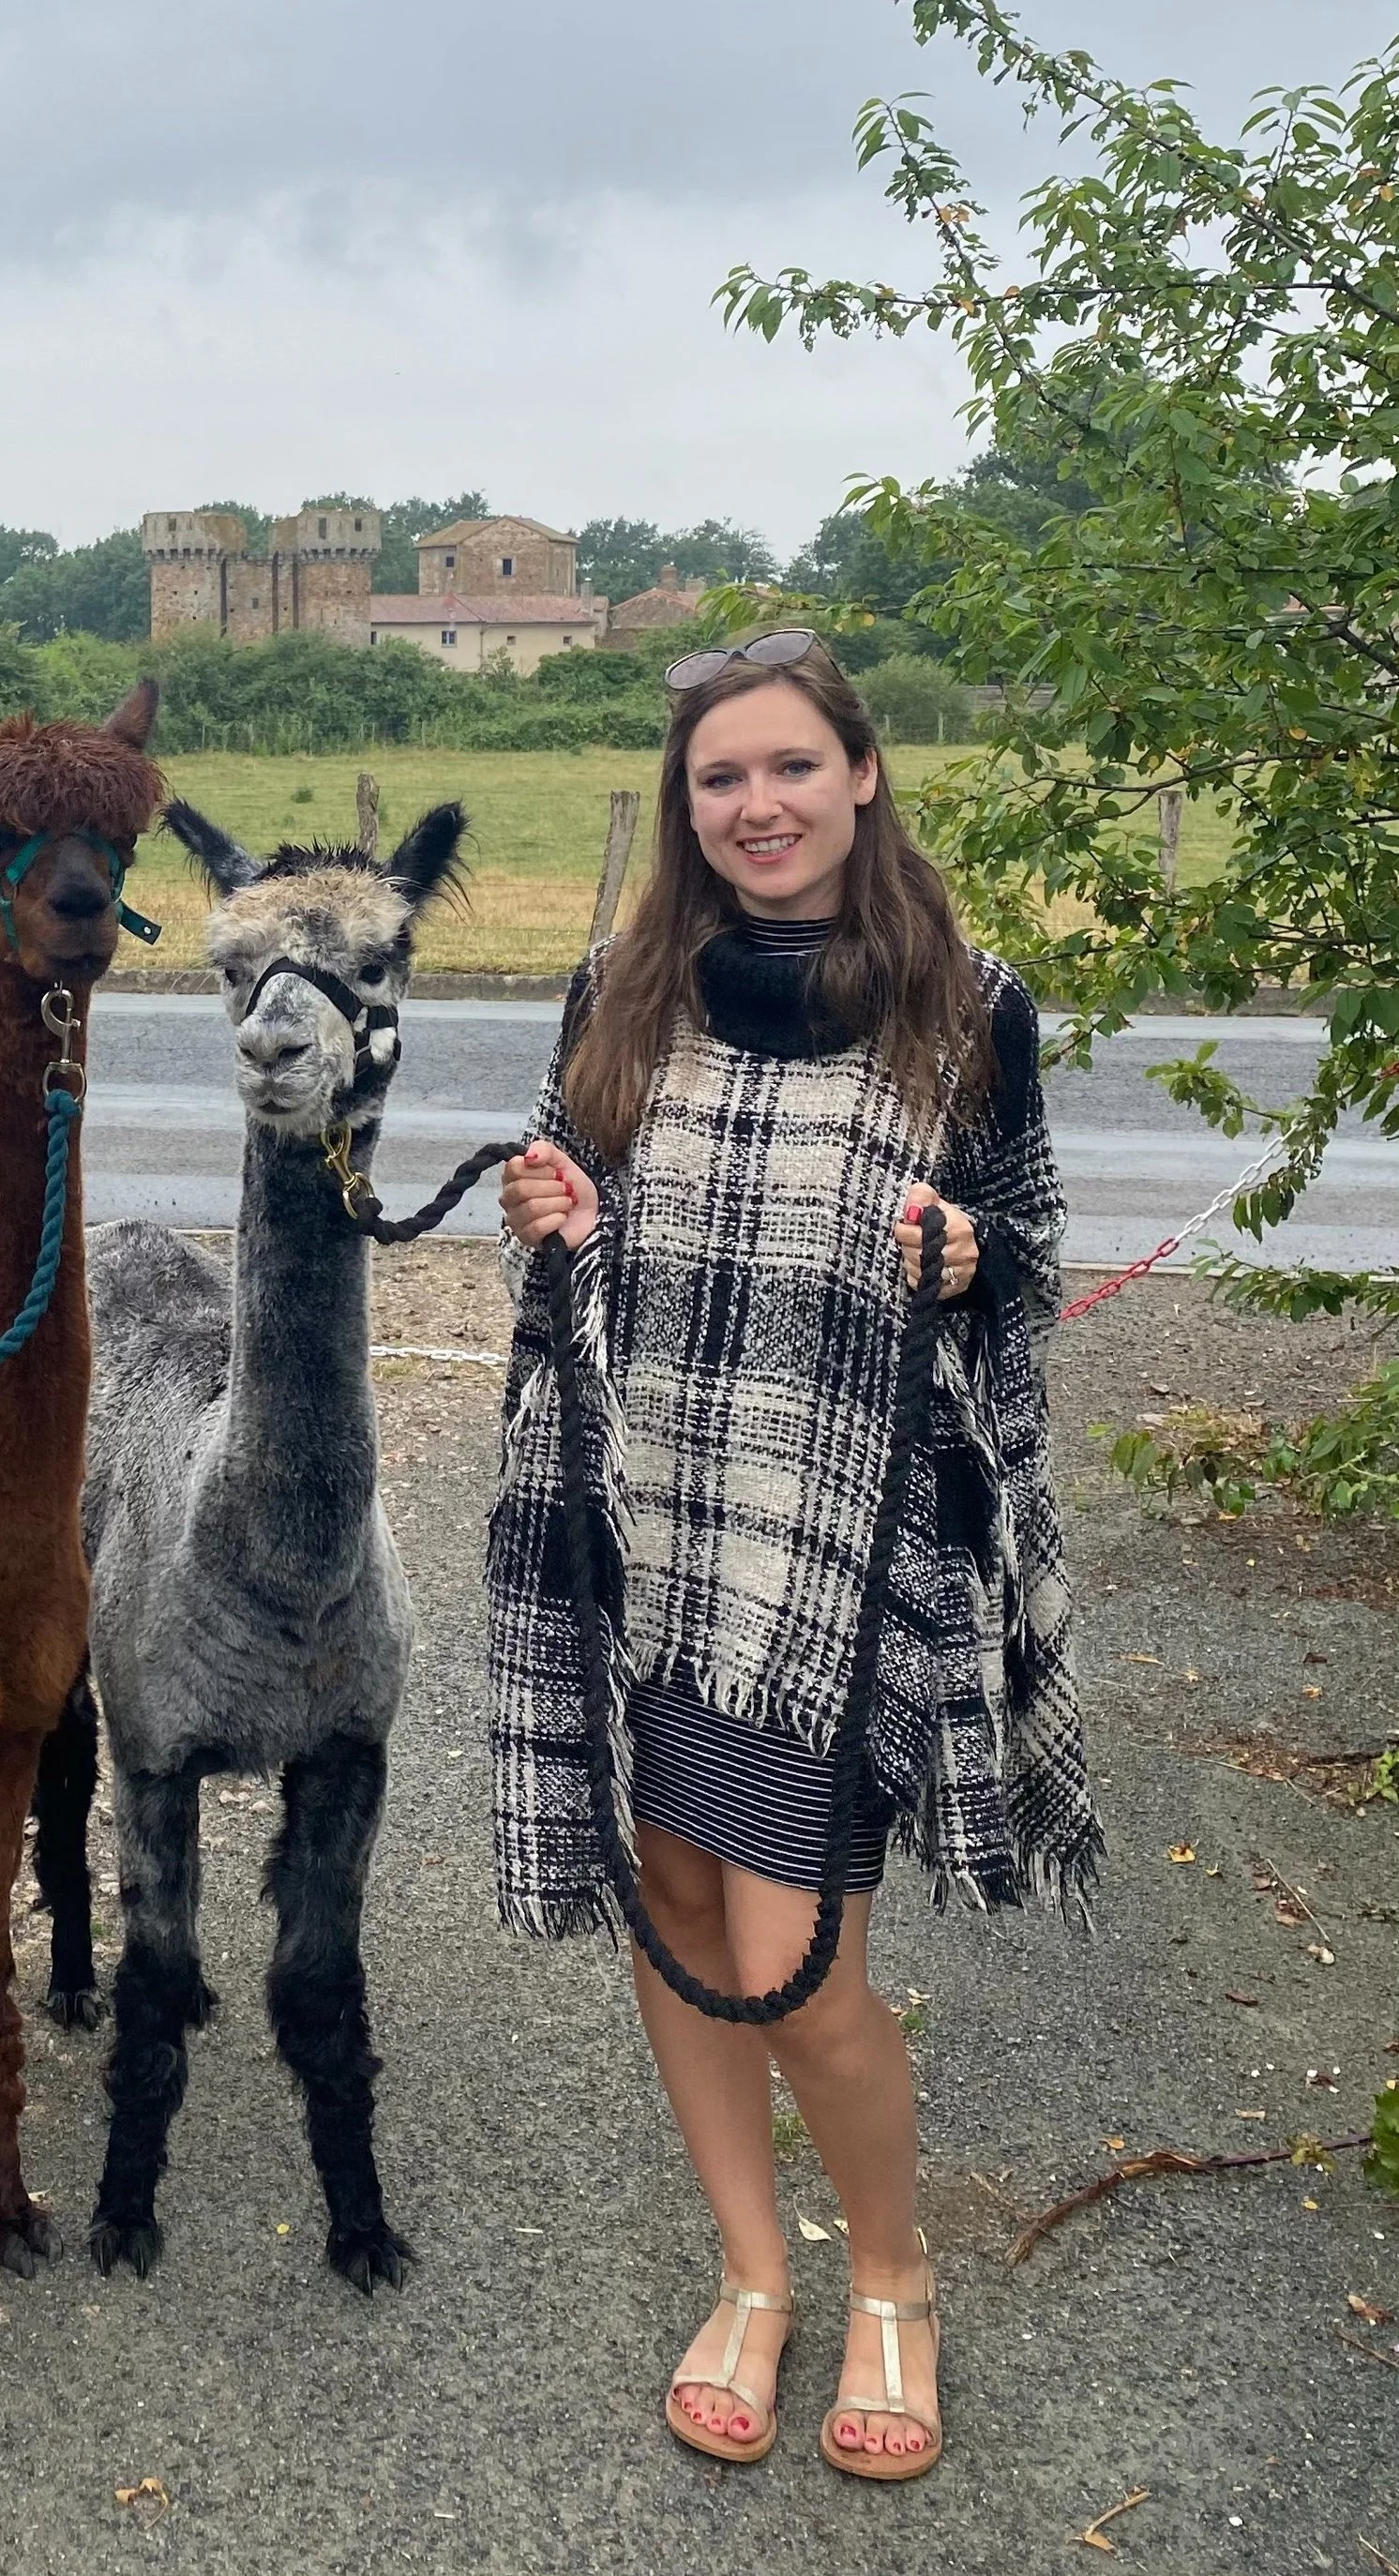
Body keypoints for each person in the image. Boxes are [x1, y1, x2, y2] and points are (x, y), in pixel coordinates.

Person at [489, 629, 1095, 2481]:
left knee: (796, 1965)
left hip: (829, 1564)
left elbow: (1027, 1255)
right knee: (670, 1920)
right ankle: (753, 2269)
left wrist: (970, 1263)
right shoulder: (616, 988)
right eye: (716, 779)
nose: (753, 805)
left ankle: (890, 2273)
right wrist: (548, 1209)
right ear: (685, 811)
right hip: (639, 1534)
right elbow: (559, 1217)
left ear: (857, 776)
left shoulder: (961, 1007)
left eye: (785, 768)